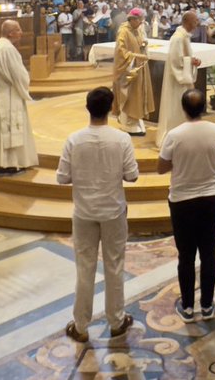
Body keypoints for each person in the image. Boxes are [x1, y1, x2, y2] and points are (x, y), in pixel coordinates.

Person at [56, 87, 138, 345]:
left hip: (84, 212)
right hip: (113, 210)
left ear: (87, 108)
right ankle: (116, 321)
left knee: (84, 268)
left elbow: (62, 177)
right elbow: (132, 175)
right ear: (111, 108)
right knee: (114, 266)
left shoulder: (74, 140)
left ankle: (80, 325)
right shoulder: (122, 139)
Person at [157, 88, 215, 322]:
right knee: (209, 252)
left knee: (185, 255)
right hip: (210, 197)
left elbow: (161, 167)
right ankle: (207, 305)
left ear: (183, 108)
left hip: (182, 200)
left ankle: (187, 307)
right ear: (203, 107)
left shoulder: (174, 134)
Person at [0, 19, 38, 175]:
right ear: (11, 33)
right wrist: (25, 82)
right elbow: (19, 75)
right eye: (19, 29)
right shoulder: (8, 49)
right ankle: (8, 165)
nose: (21, 32)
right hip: (9, 94)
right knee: (8, 131)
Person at [158, 10, 201, 148]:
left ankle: (185, 137)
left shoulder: (184, 36)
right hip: (177, 82)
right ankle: (175, 139)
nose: (196, 24)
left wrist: (191, 61)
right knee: (177, 108)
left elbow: (182, 58)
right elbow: (175, 61)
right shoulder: (177, 38)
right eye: (194, 21)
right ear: (187, 21)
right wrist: (190, 61)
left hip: (183, 78)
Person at [113, 8, 154, 136]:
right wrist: (137, 56)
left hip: (138, 68)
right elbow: (121, 52)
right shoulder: (123, 32)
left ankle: (136, 119)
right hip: (129, 70)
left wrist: (142, 44)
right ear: (133, 19)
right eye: (140, 20)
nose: (142, 23)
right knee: (130, 95)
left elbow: (138, 42)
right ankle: (128, 123)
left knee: (138, 94)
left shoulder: (136, 29)